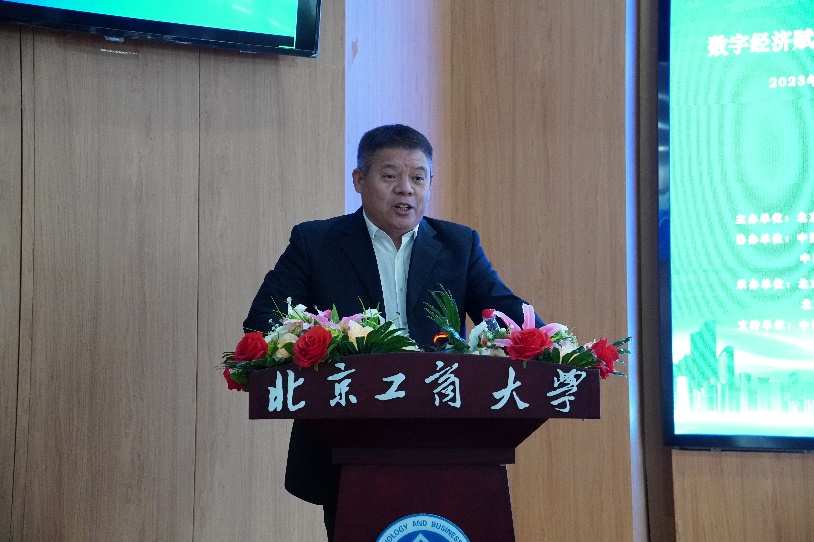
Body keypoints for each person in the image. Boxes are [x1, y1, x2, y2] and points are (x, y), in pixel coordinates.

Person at [243, 124, 542, 540]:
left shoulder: (459, 245)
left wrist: (551, 345)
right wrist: (324, 340)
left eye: (418, 177)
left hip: (449, 437)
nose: (406, 189)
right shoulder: (316, 242)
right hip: (347, 438)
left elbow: (506, 314)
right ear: (359, 180)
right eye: (390, 176)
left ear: (430, 183)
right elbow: (264, 320)